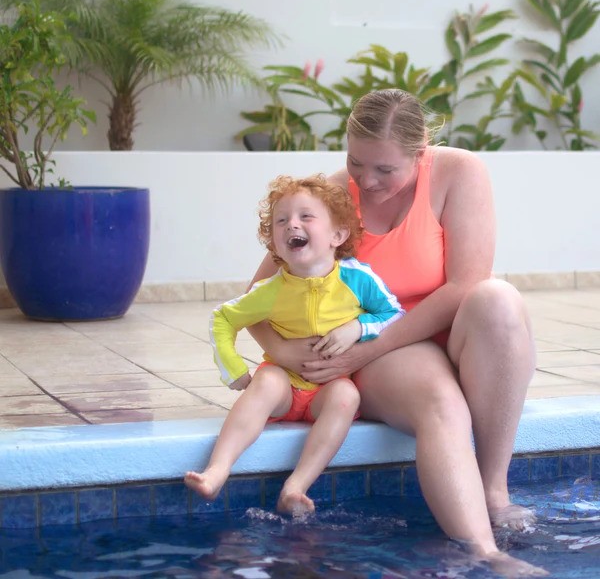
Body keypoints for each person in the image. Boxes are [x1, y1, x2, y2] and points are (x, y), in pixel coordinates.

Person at [246, 90, 548, 576]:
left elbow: (465, 284)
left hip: (431, 337)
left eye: (384, 170)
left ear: (421, 150)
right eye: (355, 162)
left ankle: (494, 488)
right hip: (380, 349)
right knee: (441, 402)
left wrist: (364, 352)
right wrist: (285, 350)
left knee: (498, 299)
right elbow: (255, 295)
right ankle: (485, 554)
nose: (365, 181)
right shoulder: (327, 195)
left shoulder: (459, 173)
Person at [185, 174, 404, 516]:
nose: (292, 225)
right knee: (267, 380)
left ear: (338, 235)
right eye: (281, 220)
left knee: (347, 396)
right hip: (284, 387)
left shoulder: (358, 279)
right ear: (273, 240)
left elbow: (394, 313)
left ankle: (296, 486)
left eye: (305, 217)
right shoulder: (271, 290)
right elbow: (223, 318)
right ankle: (217, 470)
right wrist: (234, 369)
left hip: (328, 389)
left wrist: (356, 327)